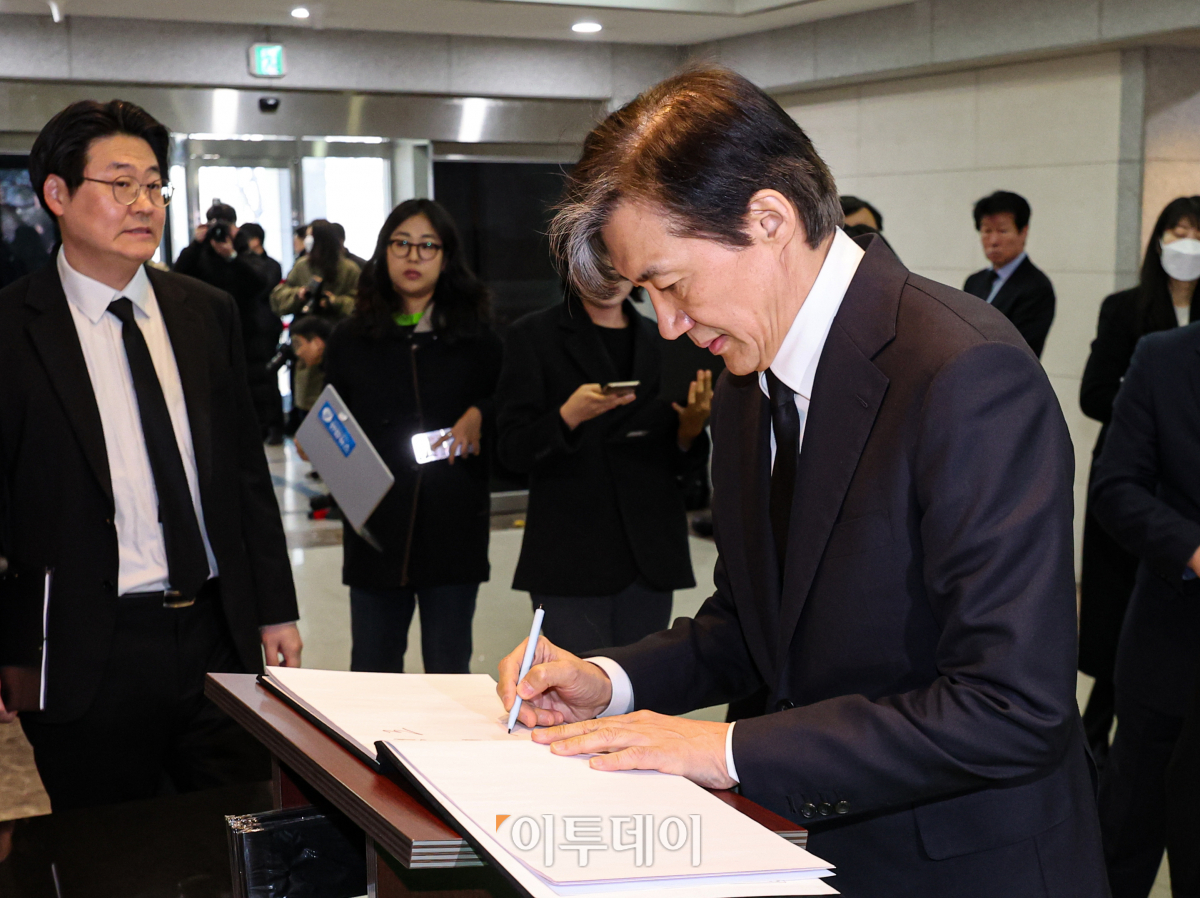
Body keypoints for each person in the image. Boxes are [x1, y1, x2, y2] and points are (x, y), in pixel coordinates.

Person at [495, 68, 1106, 896]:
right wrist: (610, 682)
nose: (670, 325)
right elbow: (758, 625)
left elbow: (1011, 707)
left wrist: (722, 749)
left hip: (964, 866)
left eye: (672, 284)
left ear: (769, 218)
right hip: (805, 852)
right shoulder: (753, 375)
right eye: (647, 298)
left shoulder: (964, 373)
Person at [0, 99, 301, 811]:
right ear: (57, 195)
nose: (145, 204)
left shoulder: (205, 311)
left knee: (239, 841)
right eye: (121, 183)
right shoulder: (13, 329)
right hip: (85, 645)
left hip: (215, 636)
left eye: (155, 185)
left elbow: (243, 475)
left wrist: (273, 610)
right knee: (111, 855)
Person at [323, 199, 502, 674]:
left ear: (447, 257)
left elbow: (511, 409)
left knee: (448, 670)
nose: (413, 256)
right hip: (375, 529)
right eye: (401, 244)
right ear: (384, 253)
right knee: (373, 670)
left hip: (452, 529)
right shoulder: (351, 338)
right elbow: (328, 418)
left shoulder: (478, 338)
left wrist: (482, 413)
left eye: (428, 246)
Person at [495, 277, 712, 655]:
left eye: (620, 259)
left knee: (637, 694)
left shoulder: (664, 337)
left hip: (649, 550)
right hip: (570, 555)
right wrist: (567, 416)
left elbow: (678, 463)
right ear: (573, 261)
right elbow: (511, 452)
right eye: (597, 257)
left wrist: (690, 432)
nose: (610, 273)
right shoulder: (533, 335)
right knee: (574, 696)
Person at [1090, 229, 1200, 898]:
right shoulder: (1163, 360)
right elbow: (1115, 487)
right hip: (1171, 633)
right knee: (1131, 823)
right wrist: (1190, 547)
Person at [271, 219, 360, 426]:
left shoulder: (349, 269)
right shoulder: (302, 267)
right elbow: (278, 299)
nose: (306, 241)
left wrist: (334, 301)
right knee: (308, 408)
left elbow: (360, 305)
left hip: (339, 346)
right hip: (306, 349)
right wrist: (299, 295)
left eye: (310, 236)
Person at [963, 190, 1056, 358]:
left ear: (1023, 232)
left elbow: (1021, 351)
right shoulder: (974, 281)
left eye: (1003, 231)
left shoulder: (1036, 287)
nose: (993, 241)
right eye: (987, 231)